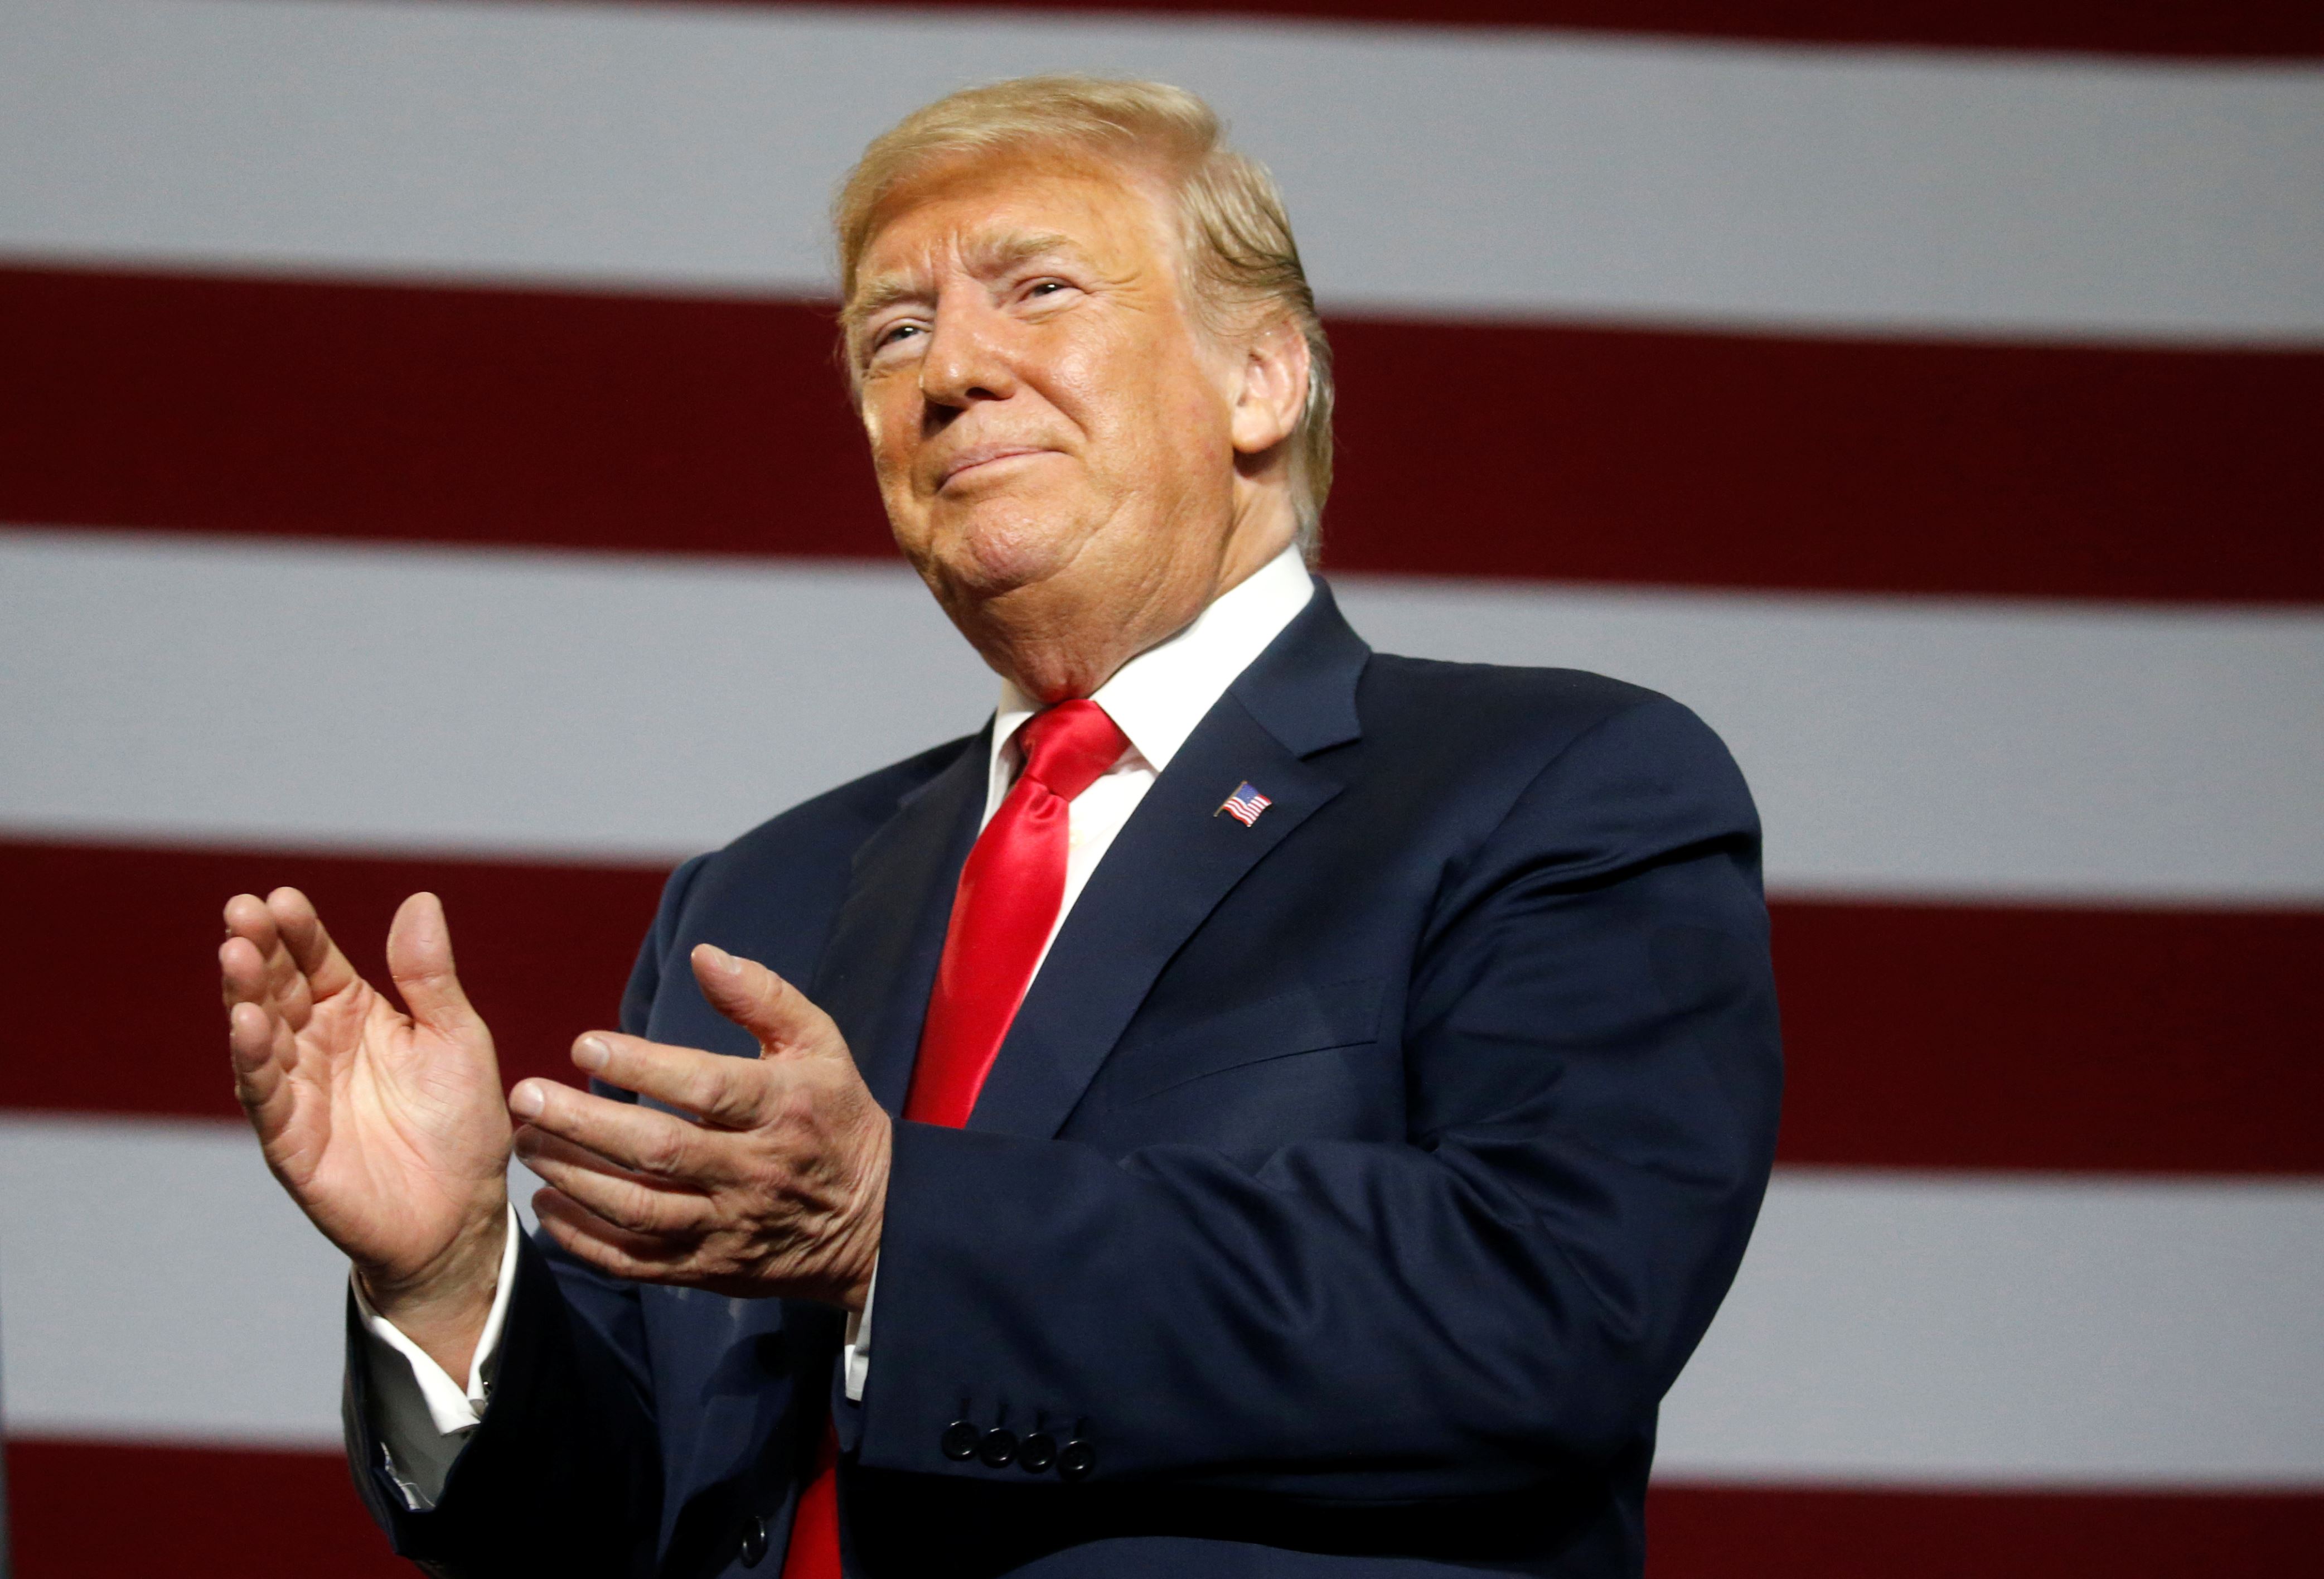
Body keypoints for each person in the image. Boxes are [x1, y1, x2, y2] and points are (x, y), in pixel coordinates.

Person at [219, 76, 1780, 1579]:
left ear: (1262, 379)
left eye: (1038, 291)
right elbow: (627, 1525)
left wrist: (898, 1227)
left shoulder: (1554, 784)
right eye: (894, 331)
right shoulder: (758, 898)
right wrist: (450, 1278)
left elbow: (1553, 1300)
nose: (949, 371)